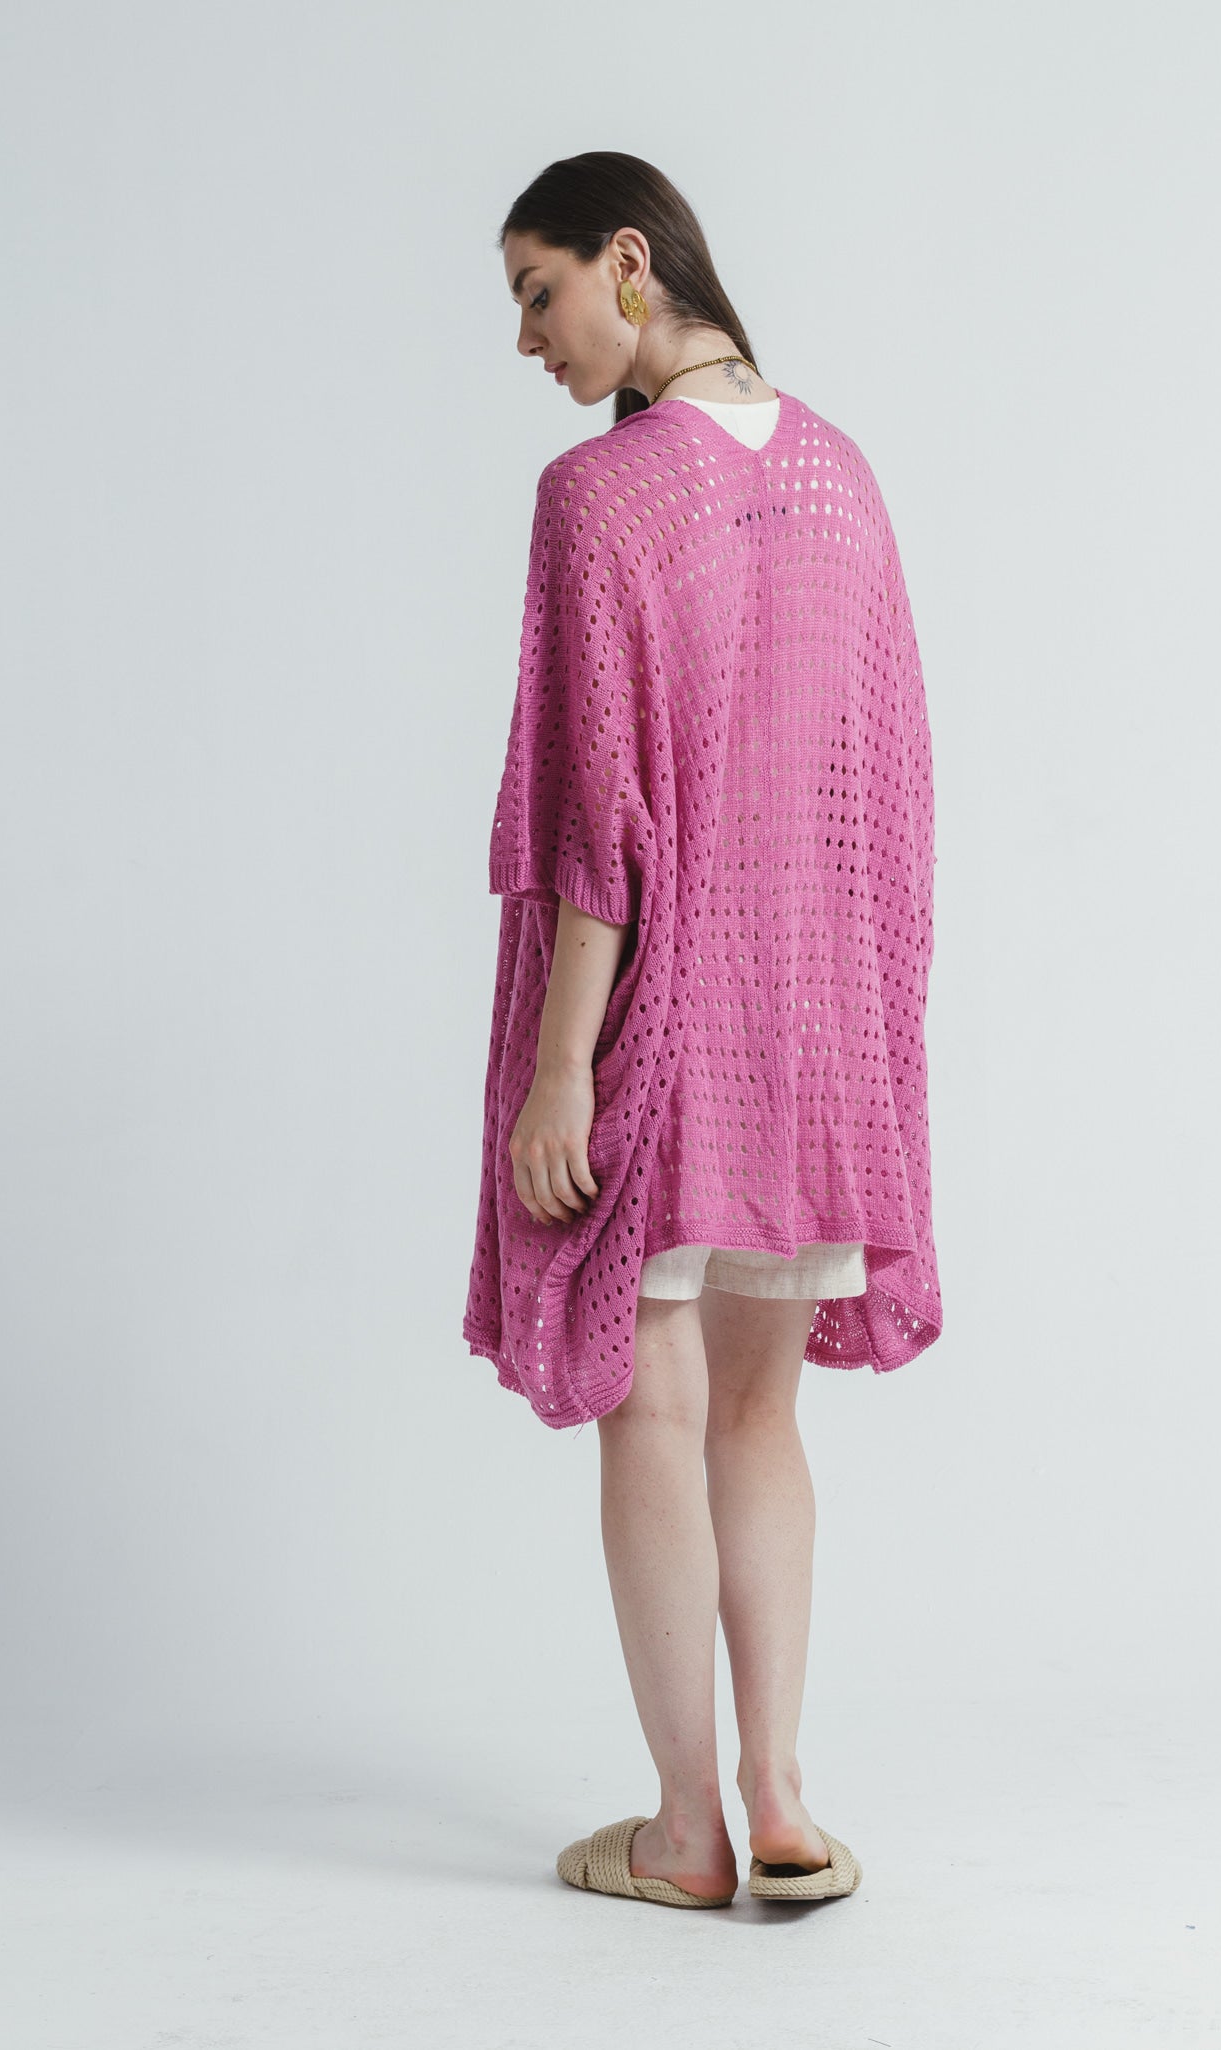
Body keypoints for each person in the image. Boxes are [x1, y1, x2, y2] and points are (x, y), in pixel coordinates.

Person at [466, 153, 941, 1908]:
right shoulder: (840, 475)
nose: (528, 339)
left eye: (537, 292)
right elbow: (890, 793)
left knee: (652, 1413)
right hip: (819, 1039)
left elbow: (594, 821)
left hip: (662, 1030)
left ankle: (683, 1832)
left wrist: (558, 1069)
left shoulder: (598, 499)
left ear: (628, 259)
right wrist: (878, 1044)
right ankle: (785, 1799)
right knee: (759, 1417)